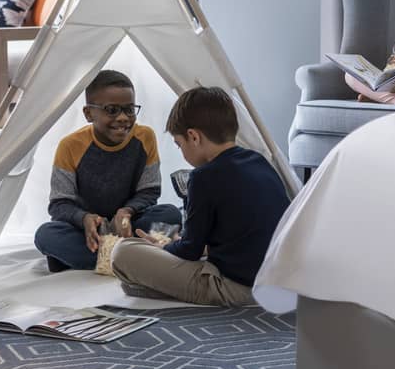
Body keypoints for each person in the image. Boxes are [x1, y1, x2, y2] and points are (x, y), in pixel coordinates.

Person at [110, 87, 290, 306]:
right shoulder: (259, 161)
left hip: (237, 288)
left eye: (179, 144)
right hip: (278, 282)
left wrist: (164, 248)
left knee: (123, 252)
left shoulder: (203, 177)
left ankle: (154, 283)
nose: (182, 152)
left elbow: (189, 251)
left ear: (193, 136)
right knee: (169, 235)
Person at [34, 69, 182, 273]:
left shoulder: (145, 137)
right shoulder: (70, 146)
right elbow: (59, 204)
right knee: (46, 235)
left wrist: (126, 212)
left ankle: (95, 260)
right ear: (88, 113)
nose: (123, 118)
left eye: (129, 110)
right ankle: (132, 257)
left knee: (171, 214)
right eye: (111, 110)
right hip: (89, 230)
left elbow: (150, 191)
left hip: (128, 225)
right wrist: (84, 218)